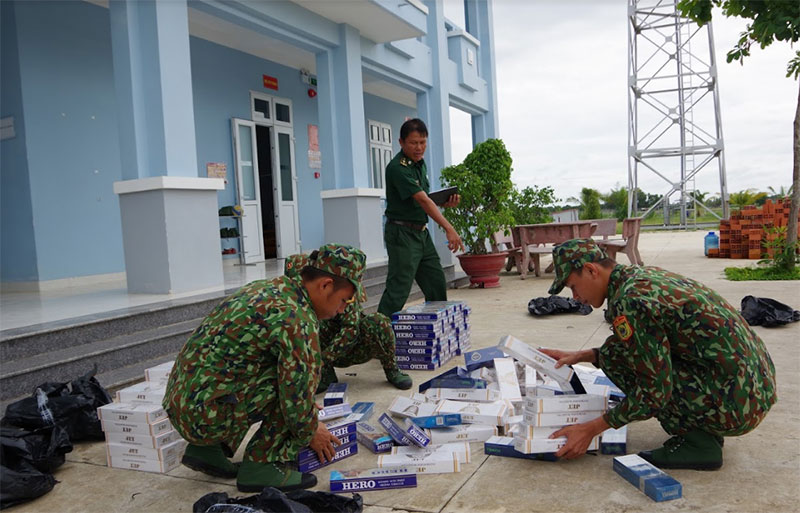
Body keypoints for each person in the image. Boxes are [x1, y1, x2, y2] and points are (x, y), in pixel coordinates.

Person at [541, 238, 777, 470]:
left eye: (573, 286)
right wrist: (580, 356)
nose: (575, 297)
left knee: (626, 367)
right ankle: (705, 430)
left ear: (591, 270)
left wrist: (589, 429)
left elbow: (654, 393)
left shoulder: (630, 301)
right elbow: (635, 346)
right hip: (756, 385)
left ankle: (699, 444)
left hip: (741, 406)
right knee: (615, 352)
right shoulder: (639, 278)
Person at [163, 244, 366, 492]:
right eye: (345, 300)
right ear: (324, 285)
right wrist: (312, 429)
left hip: (182, 405)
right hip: (205, 418)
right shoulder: (297, 318)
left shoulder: (266, 288)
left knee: (264, 372)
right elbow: (295, 394)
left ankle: (207, 450)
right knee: (293, 388)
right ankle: (262, 465)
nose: (344, 309)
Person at [283, 253, 412, 391]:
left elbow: (351, 330)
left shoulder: (339, 291)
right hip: (325, 351)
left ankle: (392, 369)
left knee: (379, 321)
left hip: (354, 348)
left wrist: (322, 360)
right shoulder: (291, 300)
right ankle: (325, 376)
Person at [377, 118, 465, 319]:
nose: (419, 147)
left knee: (435, 281)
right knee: (398, 288)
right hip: (402, 234)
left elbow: (423, 199)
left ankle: (440, 330)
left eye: (423, 142)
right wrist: (449, 228)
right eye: (414, 143)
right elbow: (423, 200)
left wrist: (443, 202)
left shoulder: (419, 165)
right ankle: (378, 336)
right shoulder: (397, 168)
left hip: (421, 233)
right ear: (401, 142)